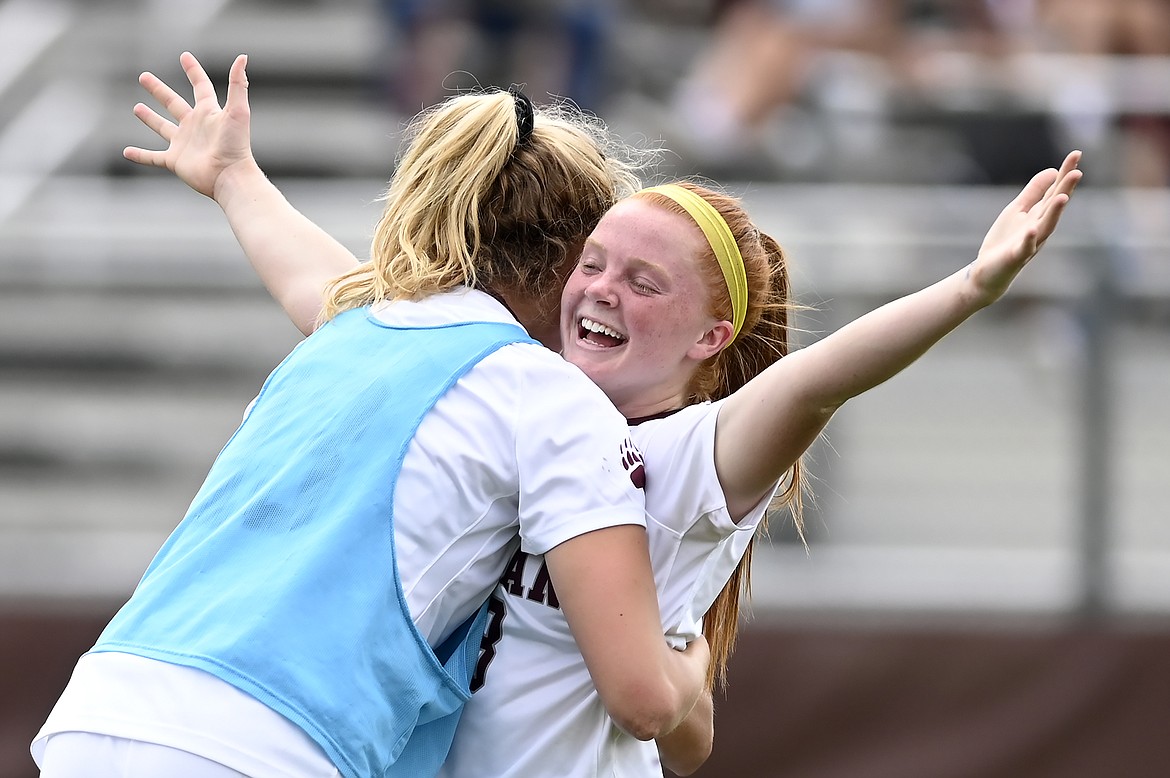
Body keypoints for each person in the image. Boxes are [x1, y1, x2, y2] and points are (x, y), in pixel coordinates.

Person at [93, 51, 1082, 777]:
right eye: (596, 264)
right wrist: (236, 179)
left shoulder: (681, 448)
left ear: (709, 336)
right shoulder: (511, 392)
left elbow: (813, 380)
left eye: (645, 281)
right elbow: (346, 296)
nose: (604, 289)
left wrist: (968, 287)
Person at [30, 52, 711, 778]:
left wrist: (235, 178)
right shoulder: (550, 397)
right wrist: (690, 664)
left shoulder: (354, 336)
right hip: (265, 748)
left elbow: (320, 282)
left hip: (101, 707)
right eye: (597, 260)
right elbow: (642, 700)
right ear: (572, 257)